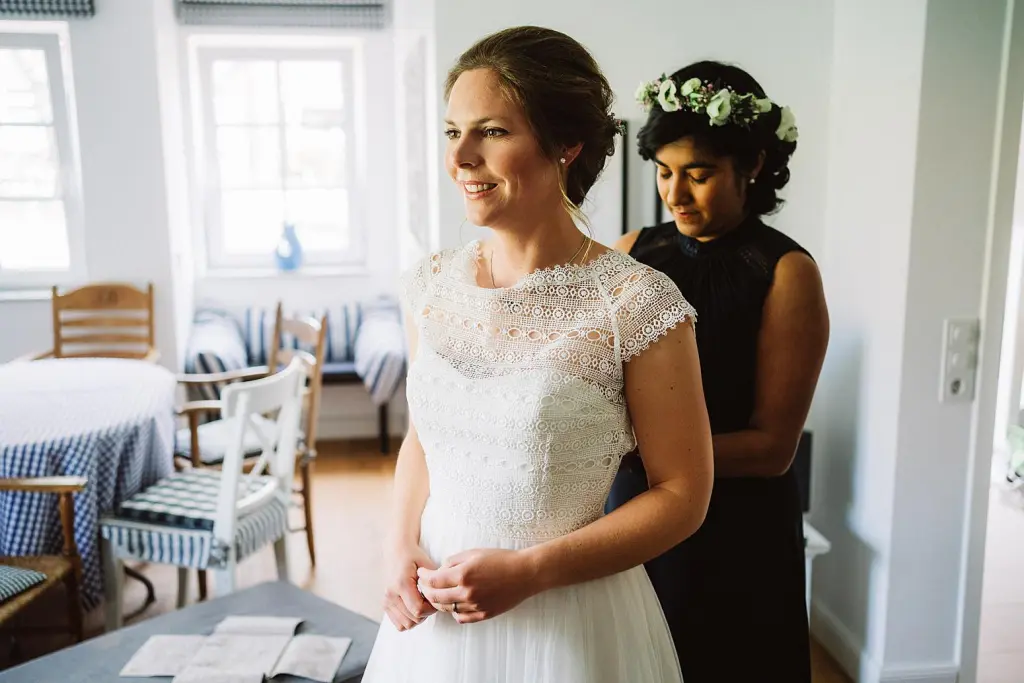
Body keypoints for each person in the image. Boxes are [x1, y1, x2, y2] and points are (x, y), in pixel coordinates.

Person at [361, 27, 714, 683]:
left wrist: (531, 570)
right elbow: (424, 436)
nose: (461, 157)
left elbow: (683, 494)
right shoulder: (431, 286)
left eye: (491, 132)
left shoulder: (636, 303)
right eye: (451, 131)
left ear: (565, 144)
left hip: (567, 622)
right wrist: (396, 545)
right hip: (433, 625)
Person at [606, 61, 830, 682]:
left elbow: (772, 449)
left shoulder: (786, 273)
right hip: (636, 509)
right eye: (664, 172)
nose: (674, 194)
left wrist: (642, 454)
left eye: (698, 175)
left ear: (752, 167)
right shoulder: (630, 253)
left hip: (736, 533)